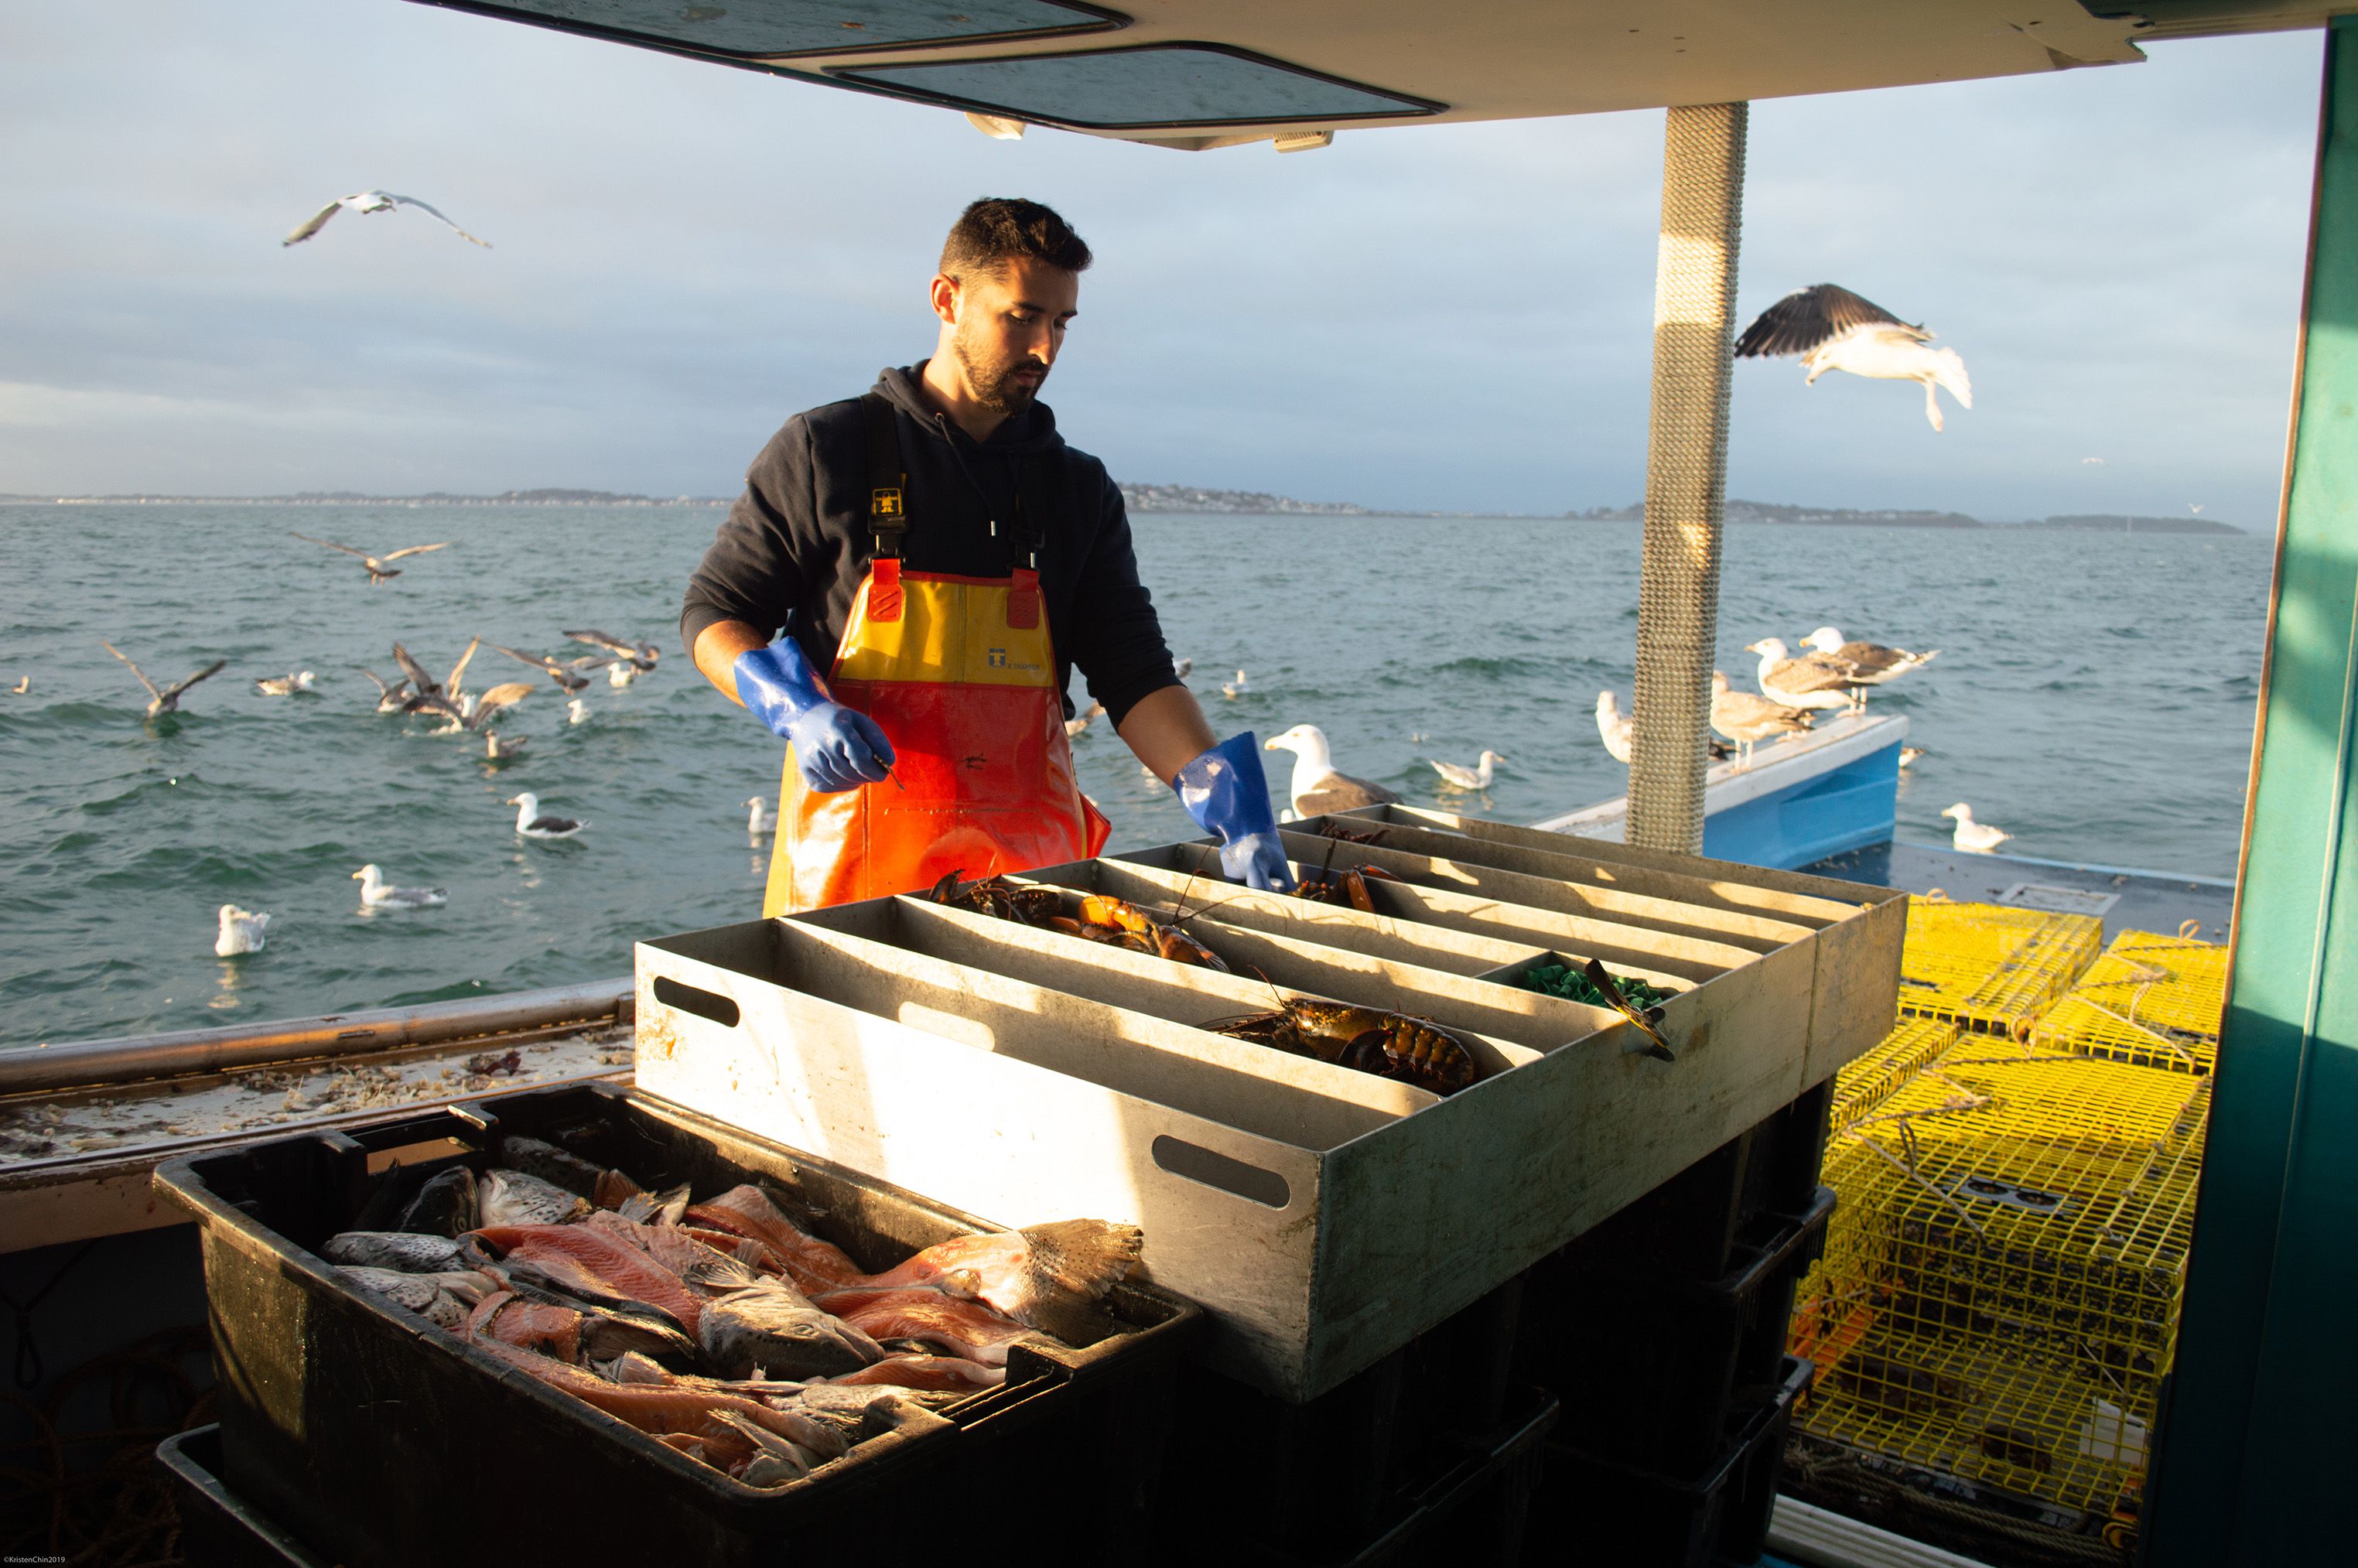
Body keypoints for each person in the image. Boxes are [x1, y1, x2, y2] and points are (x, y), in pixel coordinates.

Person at [682, 197, 1292, 916]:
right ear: (948, 298)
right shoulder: (827, 450)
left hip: (1033, 886)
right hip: (851, 885)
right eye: (1023, 316)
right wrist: (793, 705)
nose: (1045, 349)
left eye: (1061, 323)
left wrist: (1218, 788)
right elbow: (716, 614)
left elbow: (1133, 673)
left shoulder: (1077, 488)